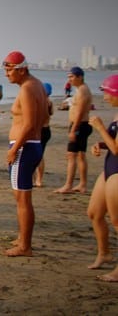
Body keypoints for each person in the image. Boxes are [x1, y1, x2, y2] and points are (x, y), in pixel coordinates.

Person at [1, 51, 48, 257]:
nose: (7, 74)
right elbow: (44, 117)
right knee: (21, 196)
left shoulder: (28, 88)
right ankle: (23, 238)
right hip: (32, 144)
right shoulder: (37, 85)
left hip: (24, 147)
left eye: (9, 70)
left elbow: (28, 124)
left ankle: (25, 246)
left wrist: (14, 148)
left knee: (22, 199)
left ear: (21, 69)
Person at [86, 75, 118, 282]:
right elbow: (112, 142)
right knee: (94, 213)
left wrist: (98, 127)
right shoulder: (117, 114)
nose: (105, 97)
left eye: (108, 93)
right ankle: (104, 252)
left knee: (117, 221)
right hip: (109, 167)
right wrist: (99, 144)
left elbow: (117, 148)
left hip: (117, 172)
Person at [54, 67, 93, 194]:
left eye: (71, 77)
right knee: (81, 155)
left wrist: (73, 130)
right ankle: (82, 184)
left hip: (79, 125)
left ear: (80, 77)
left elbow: (81, 112)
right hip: (81, 125)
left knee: (71, 155)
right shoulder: (83, 89)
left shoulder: (82, 91)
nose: (69, 79)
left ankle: (68, 185)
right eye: (68, 77)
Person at [34, 83, 54, 187]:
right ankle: (38, 180)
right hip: (47, 129)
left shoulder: (42, 102)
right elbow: (51, 114)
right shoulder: (50, 102)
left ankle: (37, 179)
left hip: (40, 130)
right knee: (39, 155)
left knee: (36, 156)